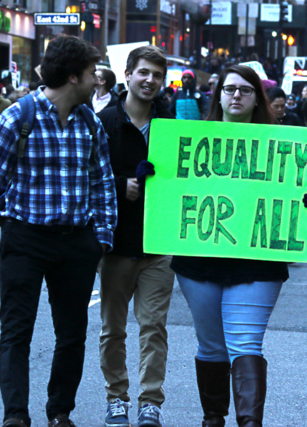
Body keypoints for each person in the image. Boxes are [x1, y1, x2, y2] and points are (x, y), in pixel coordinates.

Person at [0, 35, 117, 427]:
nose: (97, 80)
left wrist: (101, 240)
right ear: (73, 77)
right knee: (16, 331)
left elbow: (102, 182)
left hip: (76, 242)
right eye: (92, 73)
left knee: (72, 335)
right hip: (25, 239)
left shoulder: (90, 123)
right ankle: (16, 416)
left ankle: (59, 413)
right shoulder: (17, 117)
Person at [168, 64, 307, 427]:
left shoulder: (284, 144)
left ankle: (249, 423)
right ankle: (213, 419)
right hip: (200, 259)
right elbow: (169, 196)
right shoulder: (188, 141)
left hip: (258, 262)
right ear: (216, 95)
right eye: (228, 89)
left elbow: (300, 198)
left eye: (245, 90)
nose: (235, 95)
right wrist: (154, 175)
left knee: (246, 343)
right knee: (211, 347)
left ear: (258, 99)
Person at [96, 45, 175, 427]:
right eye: (143, 72)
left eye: (157, 75)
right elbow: (85, 178)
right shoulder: (104, 122)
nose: (150, 80)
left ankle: (150, 402)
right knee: (113, 329)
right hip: (115, 244)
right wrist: (118, 185)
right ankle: (116, 397)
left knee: (153, 327)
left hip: (158, 245)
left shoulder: (171, 124)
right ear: (127, 74)